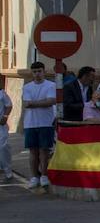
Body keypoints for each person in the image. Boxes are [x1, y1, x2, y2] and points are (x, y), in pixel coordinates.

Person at [21, 61, 58, 189]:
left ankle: (44, 175)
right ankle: (34, 177)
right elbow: (26, 103)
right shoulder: (27, 87)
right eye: (35, 72)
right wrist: (42, 102)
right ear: (32, 73)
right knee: (33, 151)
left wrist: (34, 104)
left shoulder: (51, 85)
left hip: (46, 122)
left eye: (39, 71)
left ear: (44, 71)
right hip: (30, 123)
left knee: (44, 150)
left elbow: (51, 101)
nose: (37, 74)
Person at [0, 74, 12, 180]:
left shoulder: (2, 93)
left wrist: (5, 116)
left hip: (1, 125)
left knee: (3, 147)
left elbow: (9, 105)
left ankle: (8, 169)